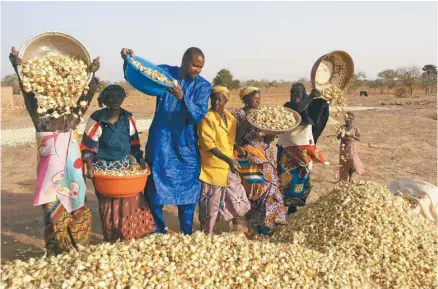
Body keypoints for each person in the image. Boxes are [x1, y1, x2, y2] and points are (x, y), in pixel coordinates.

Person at [9, 46, 100, 255]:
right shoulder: (41, 119)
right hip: (51, 181)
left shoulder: (72, 117)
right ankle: (56, 253)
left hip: (74, 179)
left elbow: (86, 95)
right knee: (53, 216)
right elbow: (28, 93)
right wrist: (18, 68)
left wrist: (92, 73)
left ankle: (79, 249)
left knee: (78, 211)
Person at [120, 47, 212, 235]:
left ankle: (186, 233)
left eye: (200, 67)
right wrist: (128, 61)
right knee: (154, 190)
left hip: (185, 146)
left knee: (187, 195)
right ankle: (158, 232)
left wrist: (182, 98)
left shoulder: (203, 86)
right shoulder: (165, 73)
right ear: (184, 61)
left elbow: (198, 115)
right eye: (195, 65)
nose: (198, 70)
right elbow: (139, 77)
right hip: (160, 142)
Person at [81, 85, 156, 242]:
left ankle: (129, 237)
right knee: (108, 205)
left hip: (123, 167)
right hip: (103, 168)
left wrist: (141, 160)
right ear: (105, 99)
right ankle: (112, 238)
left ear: (123, 98)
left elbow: (134, 144)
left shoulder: (128, 118)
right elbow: (87, 147)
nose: (115, 100)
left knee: (130, 202)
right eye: (111, 97)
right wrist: (89, 164)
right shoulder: (97, 119)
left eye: (118, 96)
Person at [231, 86, 286, 236]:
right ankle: (252, 225)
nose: (258, 101)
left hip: (266, 155)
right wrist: (249, 120)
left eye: (259, 98)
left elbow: (267, 139)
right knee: (254, 191)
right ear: (245, 99)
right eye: (255, 98)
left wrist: (273, 133)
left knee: (271, 189)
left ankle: (268, 225)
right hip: (248, 156)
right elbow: (236, 138)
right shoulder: (238, 114)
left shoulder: (263, 114)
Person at [197, 86, 250, 235]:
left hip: (228, 166)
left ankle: (234, 228)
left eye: (220, 99)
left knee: (238, 198)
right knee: (211, 205)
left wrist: (238, 149)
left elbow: (231, 140)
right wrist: (228, 160)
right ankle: (207, 233)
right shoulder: (207, 118)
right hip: (212, 167)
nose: (216, 102)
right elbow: (210, 146)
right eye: (213, 99)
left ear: (226, 100)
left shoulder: (230, 118)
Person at [277, 83, 330, 215]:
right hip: (287, 149)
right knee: (284, 177)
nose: (294, 95)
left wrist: (323, 100)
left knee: (300, 177)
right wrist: (312, 96)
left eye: (297, 93)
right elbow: (298, 109)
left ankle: (293, 206)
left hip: (302, 152)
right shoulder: (288, 106)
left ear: (304, 93)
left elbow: (318, 115)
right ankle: (283, 204)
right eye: (292, 92)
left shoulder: (311, 105)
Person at [337, 112, 364, 183]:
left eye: (348, 119)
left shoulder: (355, 128)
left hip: (351, 147)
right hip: (343, 148)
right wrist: (340, 133)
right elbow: (337, 137)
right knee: (344, 163)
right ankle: (344, 179)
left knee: (353, 162)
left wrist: (352, 135)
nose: (347, 121)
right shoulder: (342, 127)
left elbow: (359, 138)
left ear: (351, 120)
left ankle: (351, 177)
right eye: (345, 119)